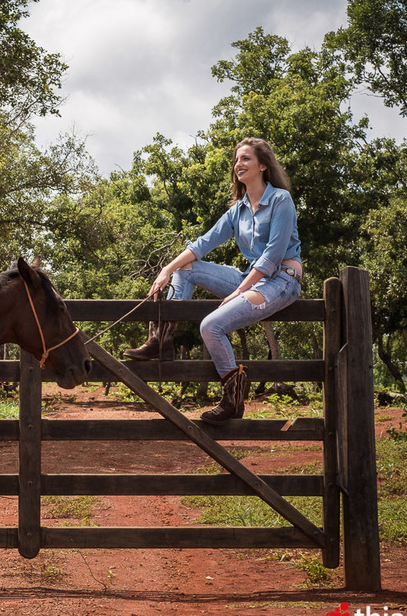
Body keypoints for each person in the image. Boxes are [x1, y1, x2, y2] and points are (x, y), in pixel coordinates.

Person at [123, 138, 303, 424]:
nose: (238, 164)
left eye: (245, 159)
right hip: (250, 278)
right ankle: (162, 339)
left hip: (282, 279)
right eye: (236, 160)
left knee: (211, 324)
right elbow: (202, 244)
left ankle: (232, 398)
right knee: (187, 268)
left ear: (263, 165)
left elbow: (273, 255)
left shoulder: (280, 200)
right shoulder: (238, 210)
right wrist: (166, 269)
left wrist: (241, 290)